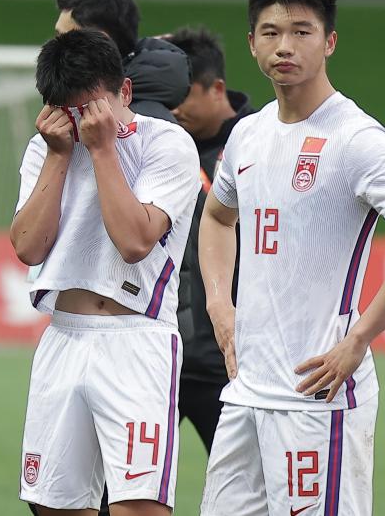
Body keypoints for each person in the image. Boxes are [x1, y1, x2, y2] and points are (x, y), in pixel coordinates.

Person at [199, 0, 385, 516]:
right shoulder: (247, 134)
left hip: (318, 400)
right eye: (271, 32)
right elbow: (217, 219)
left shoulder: (356, 138)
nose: (285, 46)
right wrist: (219, 304)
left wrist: (361, 336)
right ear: (252, 43)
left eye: (302, 31)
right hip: (246, 394)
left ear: (329, 42)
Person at [13, 29, 200, 516]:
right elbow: (28, 247)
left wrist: (101, 150)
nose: (85, 122)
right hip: (63, 335)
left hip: (137, 338)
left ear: (125, 92)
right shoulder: (46, 147)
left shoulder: (167, 144)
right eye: (71, 112)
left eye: (94, 107)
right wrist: (59, 154)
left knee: (138, 505)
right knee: (53, 504)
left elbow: (135, 240)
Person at [164, 26, 254, 453]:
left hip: (231, 361)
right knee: (117, 484)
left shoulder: (259, 143)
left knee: (248, 483)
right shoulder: (158, 144)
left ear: (216, 89)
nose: (173, 107)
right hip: (161, 355)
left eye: (182, 95)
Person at [55, 0, 191, 124]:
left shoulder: (143, 122)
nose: (53, 49)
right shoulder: (98, 104)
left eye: (64, 39)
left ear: (100, 43)